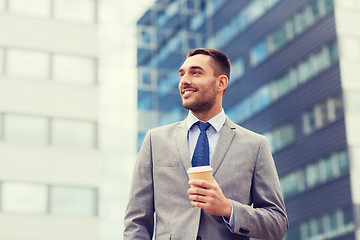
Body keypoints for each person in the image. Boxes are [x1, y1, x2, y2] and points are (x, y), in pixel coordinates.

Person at [124, 48, 288, 240]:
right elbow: (136, 221)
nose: (184, 80)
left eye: (195, 72)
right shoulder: (155, 140)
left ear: (221, 83)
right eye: (182, 74)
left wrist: (228, 208)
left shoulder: (255, 145)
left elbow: (277, 223)